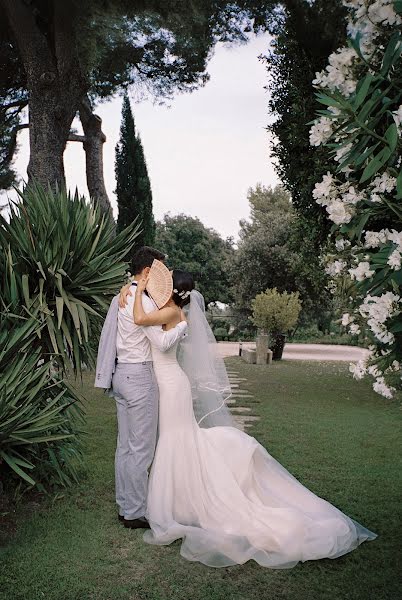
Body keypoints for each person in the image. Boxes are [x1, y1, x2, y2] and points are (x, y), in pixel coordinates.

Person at [120, 267, 376, 569]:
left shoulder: (172, 313)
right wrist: (132, 287)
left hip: (171, 386)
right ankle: (179, 500)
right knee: (177, 439)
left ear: (173, 290)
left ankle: (181, 504)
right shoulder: (168, 309)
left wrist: (134, 291)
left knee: (177, 439)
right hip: (166, 383)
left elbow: (144, 326)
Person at [95, 247, 188, 529]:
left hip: (121, 374)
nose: (163, 276)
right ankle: (135, 512)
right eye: (159, 270)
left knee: (125, 447)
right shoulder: (145, 302)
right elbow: (159, 341)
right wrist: (180, 325)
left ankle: (126, 506)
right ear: (147, 272)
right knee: (141, 449)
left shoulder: (121, 297)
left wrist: (131, 287)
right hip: (140, 378)